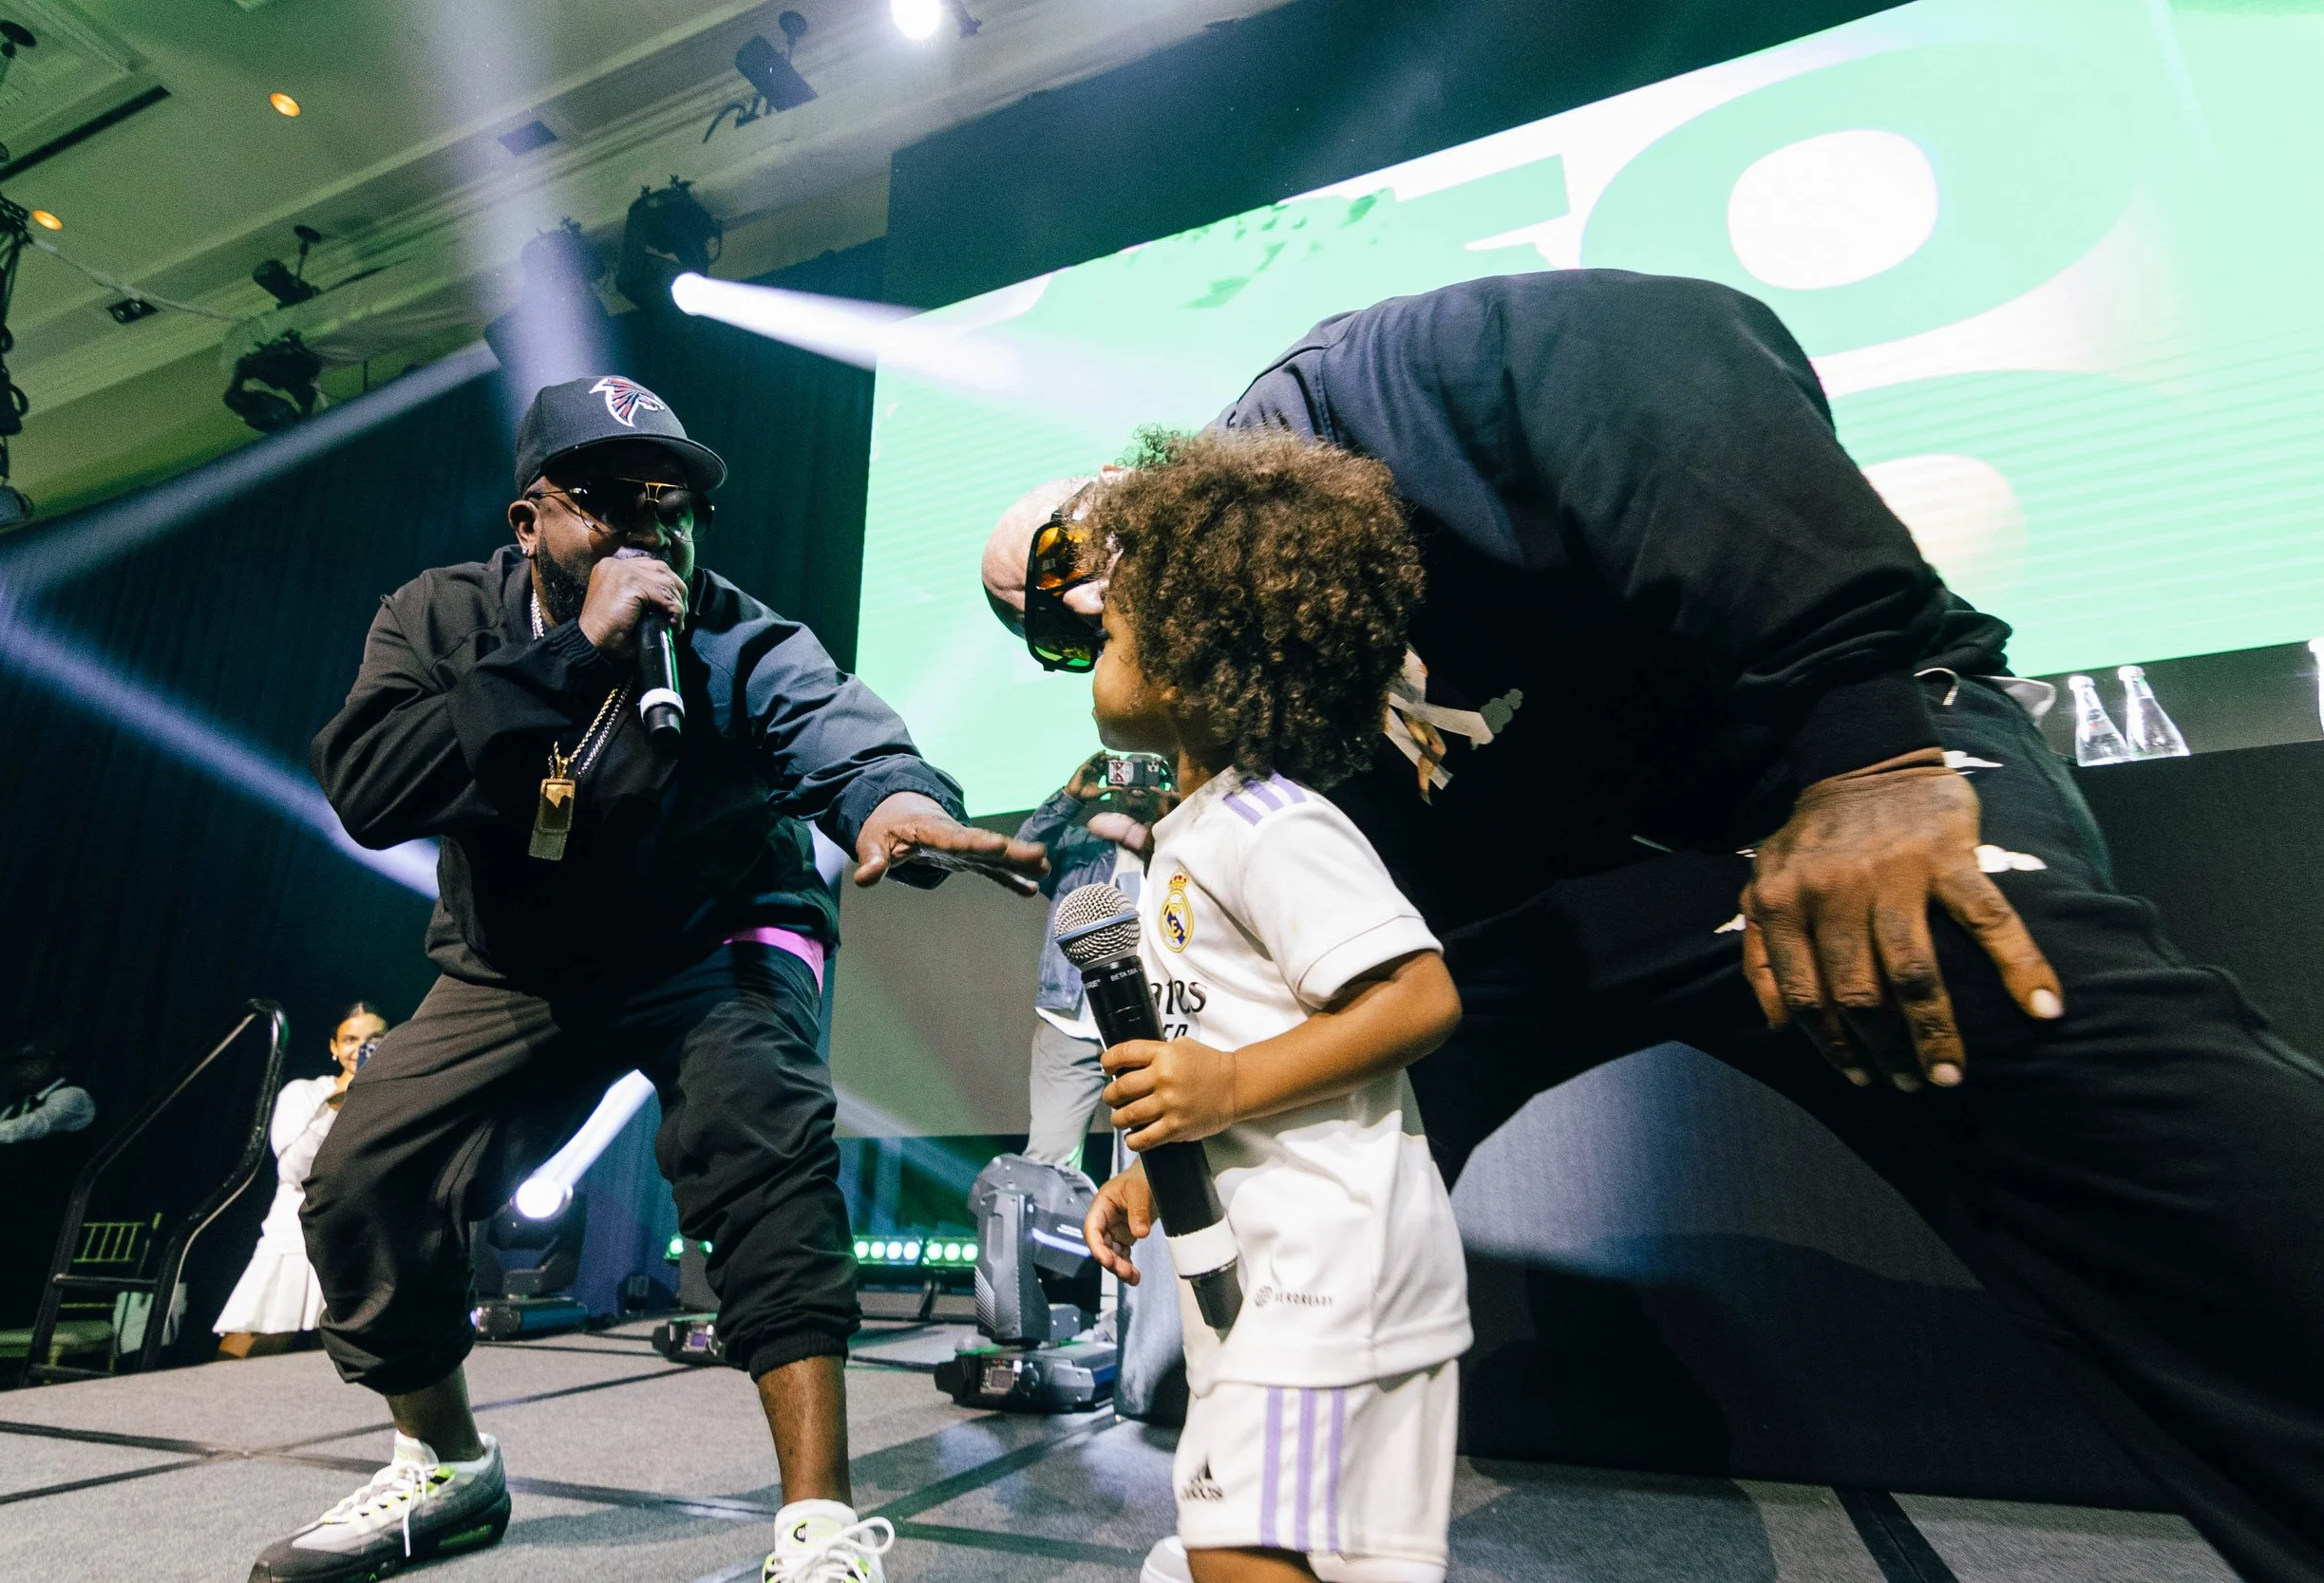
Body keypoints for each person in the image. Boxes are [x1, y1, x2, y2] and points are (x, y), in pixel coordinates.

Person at [986, 271, 2324, 1583]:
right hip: (1602, 894)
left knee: (1961, 970)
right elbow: (1360, 961)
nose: (1082, 605)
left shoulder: (1345, 397)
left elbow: (1670, 348)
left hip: (1824, 753)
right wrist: (1205, 1133)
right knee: (1268, 1198)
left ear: (1136, 479)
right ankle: (1286, 1501)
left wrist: (1863, 748)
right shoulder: (1290, 718)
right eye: (1049, 629)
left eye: (1066, 557)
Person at [273, 374, 1045, 1583]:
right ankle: (447, 1465)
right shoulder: (438, 617)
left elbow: (829, 720)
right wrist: (576, 654)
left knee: (760, 1135)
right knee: (361, 1171)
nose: (651, 527)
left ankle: (820, 1527)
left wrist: (896, 797)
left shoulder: (728, 631)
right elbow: (370, 786)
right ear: (530, 521)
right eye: (611, 501)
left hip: (716, 931)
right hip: (516, 963)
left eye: (672, 502)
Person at [1076, 431, 1468, 1583]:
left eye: (1114, 626)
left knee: (1234, 1543)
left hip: (1323, 1272)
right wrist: (1157, 1164)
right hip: (1274, 1271)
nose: (1097, 625)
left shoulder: (1270, 826)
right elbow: (1225, 1039)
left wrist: (1231, 1088)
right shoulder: (1192, 835)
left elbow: (1420, 993)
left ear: (1192, 663)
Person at [1016, 745, 1165, 1172]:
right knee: (1048, 1161)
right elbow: (1021, 852)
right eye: (1127, 768)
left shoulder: (1176, 851)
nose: (1136, 780)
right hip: (1069, 1021)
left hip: (1146, 1021)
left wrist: (1169, 822)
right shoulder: (1080, 845)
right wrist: (1072, 796)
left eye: (1149, 769)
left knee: (1151, 1164)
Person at [212, 1003, 387, 1358]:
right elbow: (295, 1170)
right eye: (350, 1039)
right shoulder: (305, 1093)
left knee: (338, 1353)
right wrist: (343, 1103)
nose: (361, 1048)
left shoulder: (399, 1097)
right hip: (298, 1235)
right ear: (334, 1048)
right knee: (256, 1343)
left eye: (375, 1039)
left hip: (366, 1235)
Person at [0, 1043, 99, 1336]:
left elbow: (38, 1124)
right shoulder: (13, 1108)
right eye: (19, 1063)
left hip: (54, 1214)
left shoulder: (73, 1098)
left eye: (33, 1062)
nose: (23, 1069)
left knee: (31, 1286)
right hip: (12, 1214)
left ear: (55, 1064)